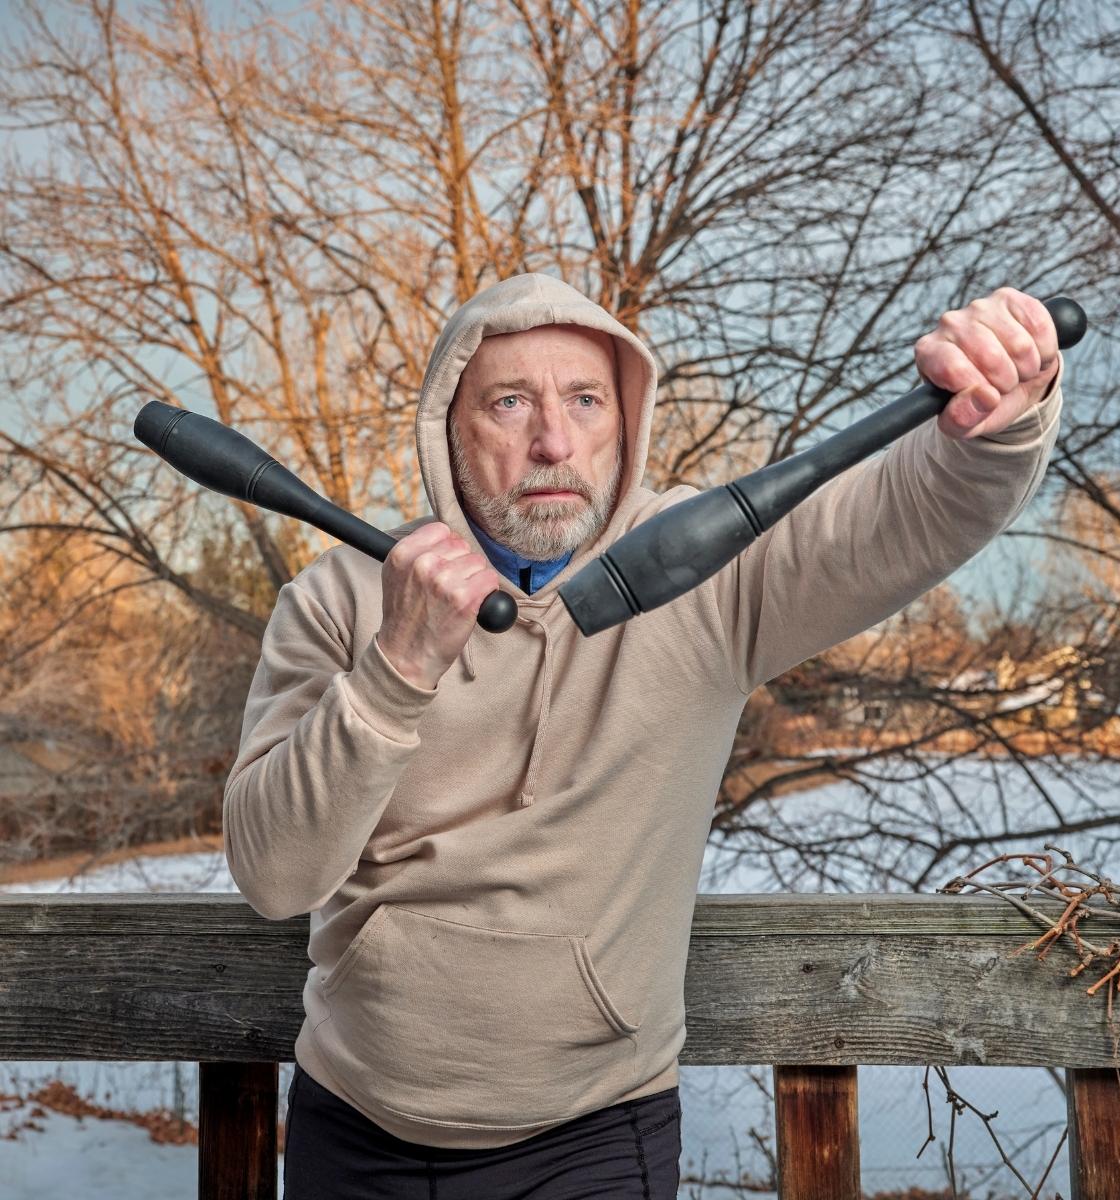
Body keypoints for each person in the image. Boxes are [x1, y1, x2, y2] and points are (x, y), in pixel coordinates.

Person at [222, 272, 1064, 1198]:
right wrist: (397, 668)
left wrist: (1003, 411)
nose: (553, 439)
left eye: (585, 400)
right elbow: (274, 873)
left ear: (624, 422)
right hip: (356, 1127)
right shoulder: (338, 599)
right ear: (447, 430)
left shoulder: (705, 567)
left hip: (593, 1137)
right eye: (511, 402)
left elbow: (908, 513)